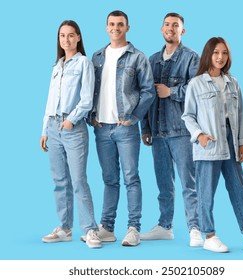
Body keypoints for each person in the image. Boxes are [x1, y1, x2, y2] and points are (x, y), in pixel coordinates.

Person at [182, 37, 243, 253]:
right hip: (209, 145)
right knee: (205, 192)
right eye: (216, 53)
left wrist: (242, 143)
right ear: (208, 54)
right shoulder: (196, 83)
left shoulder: (232, 82)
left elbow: (241, 115)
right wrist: (200, 136)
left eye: (224, 53)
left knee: (239, 190)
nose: (220, 57)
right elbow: (188, 115)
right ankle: (209, 235)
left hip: (231, 144)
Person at [84, 10, 155, 246]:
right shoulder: (97, 57)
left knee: (131, 178)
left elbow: (148, 91)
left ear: (127, 27)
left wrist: (134, 117)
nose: (116, 28)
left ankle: (133, 227)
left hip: (125, 129)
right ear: (106, 27)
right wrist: (91, 116)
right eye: (112, 24)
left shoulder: (137, 57)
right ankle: (108, 227)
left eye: (120, 24)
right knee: (109, 179)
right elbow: (90, 90)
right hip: (102, 128)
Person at [140, 13, 203, 247]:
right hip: (157, 132)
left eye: (175, 26)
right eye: (167, 24)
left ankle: (195, 228)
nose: (171, 28)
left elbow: (198, 91)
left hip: (182, 132)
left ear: (182, 31)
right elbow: (146, 97)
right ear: (161, 29)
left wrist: (172, 92)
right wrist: (145, 127)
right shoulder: (152, 60)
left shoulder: (191, 58)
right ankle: (165, 226)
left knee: (189, 183)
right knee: (163, 184)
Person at [40, 20, 101, 249]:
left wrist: (70, 120)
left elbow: (87, 99)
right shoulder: (57, 66)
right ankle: (65, 228)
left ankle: (90, 230)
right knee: (59, 180)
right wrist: (45, 129)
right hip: (54, 128)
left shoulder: (84, 63)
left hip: (72, 128)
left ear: (78, 38)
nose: (66, 40)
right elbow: (49, 100)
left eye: (70, 35)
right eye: (62, 36)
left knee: (78, 180)